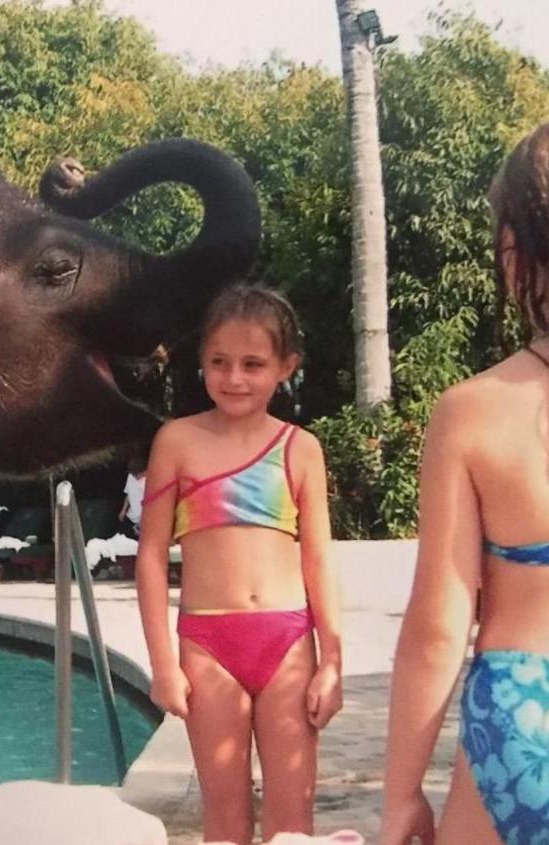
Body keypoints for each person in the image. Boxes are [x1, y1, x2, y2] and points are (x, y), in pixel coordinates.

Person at [379, 117, 549, 845]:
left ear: (516, 250)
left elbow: (438, 628)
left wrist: (402, 792)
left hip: (521, 717)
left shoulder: (472, 411)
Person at [135, 283, 343, 844]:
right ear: (201, 362)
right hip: (208, 646)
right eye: (220, 363)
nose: (235, 378)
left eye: (254, 364)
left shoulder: (300, 449)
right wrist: (162, 663)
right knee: (224, 824)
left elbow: (318, 558)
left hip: (288, 642)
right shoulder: (176, 442)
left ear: (286, 367)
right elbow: (151, 557)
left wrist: (332, 661)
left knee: (292, 826)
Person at [118, 453, 147, 539]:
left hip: (142, 520)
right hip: (130, 516)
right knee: (121, 539)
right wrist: (123, 510)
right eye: (133, 475)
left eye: (136, 475)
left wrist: (141, 523)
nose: (134, 477)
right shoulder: (130, 476)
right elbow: (128, 493)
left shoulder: (148, 482)